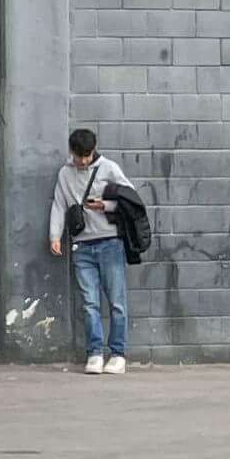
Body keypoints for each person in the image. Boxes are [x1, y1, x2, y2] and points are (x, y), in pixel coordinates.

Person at [48, 128, 139, 371]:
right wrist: (55, 236)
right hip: (81, 245)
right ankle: (95, 354)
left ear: (94, 149)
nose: (83, 161)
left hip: (110, 242)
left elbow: (132, 200)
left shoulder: (109, 168)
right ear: (72, 152)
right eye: (79, 156)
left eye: (87, 155)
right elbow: (59, 205)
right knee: (90, 303)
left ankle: (118, 354)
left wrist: (105, 205)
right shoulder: (65, 174)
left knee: (117, 302)